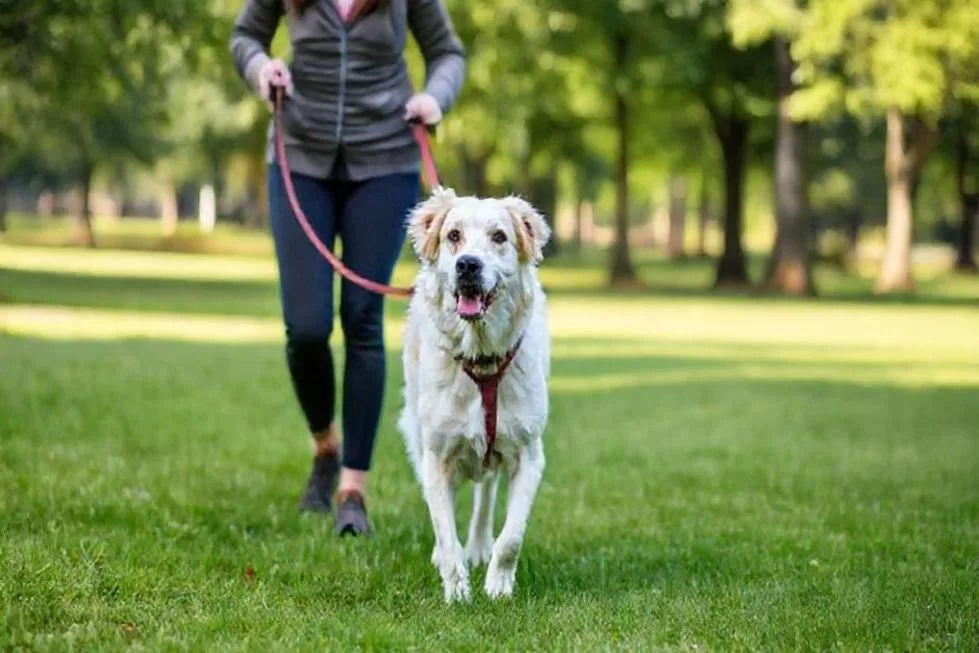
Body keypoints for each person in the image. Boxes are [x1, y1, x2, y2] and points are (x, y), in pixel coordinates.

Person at [229, 0, 466, 536]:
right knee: (306, 327)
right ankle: (324, 445)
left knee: (362, 318)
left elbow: (447, 52)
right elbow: (245, 35)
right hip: (300, 156)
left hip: (386, 160)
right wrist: (260, 68)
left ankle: (353, 489)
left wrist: (435, 96)